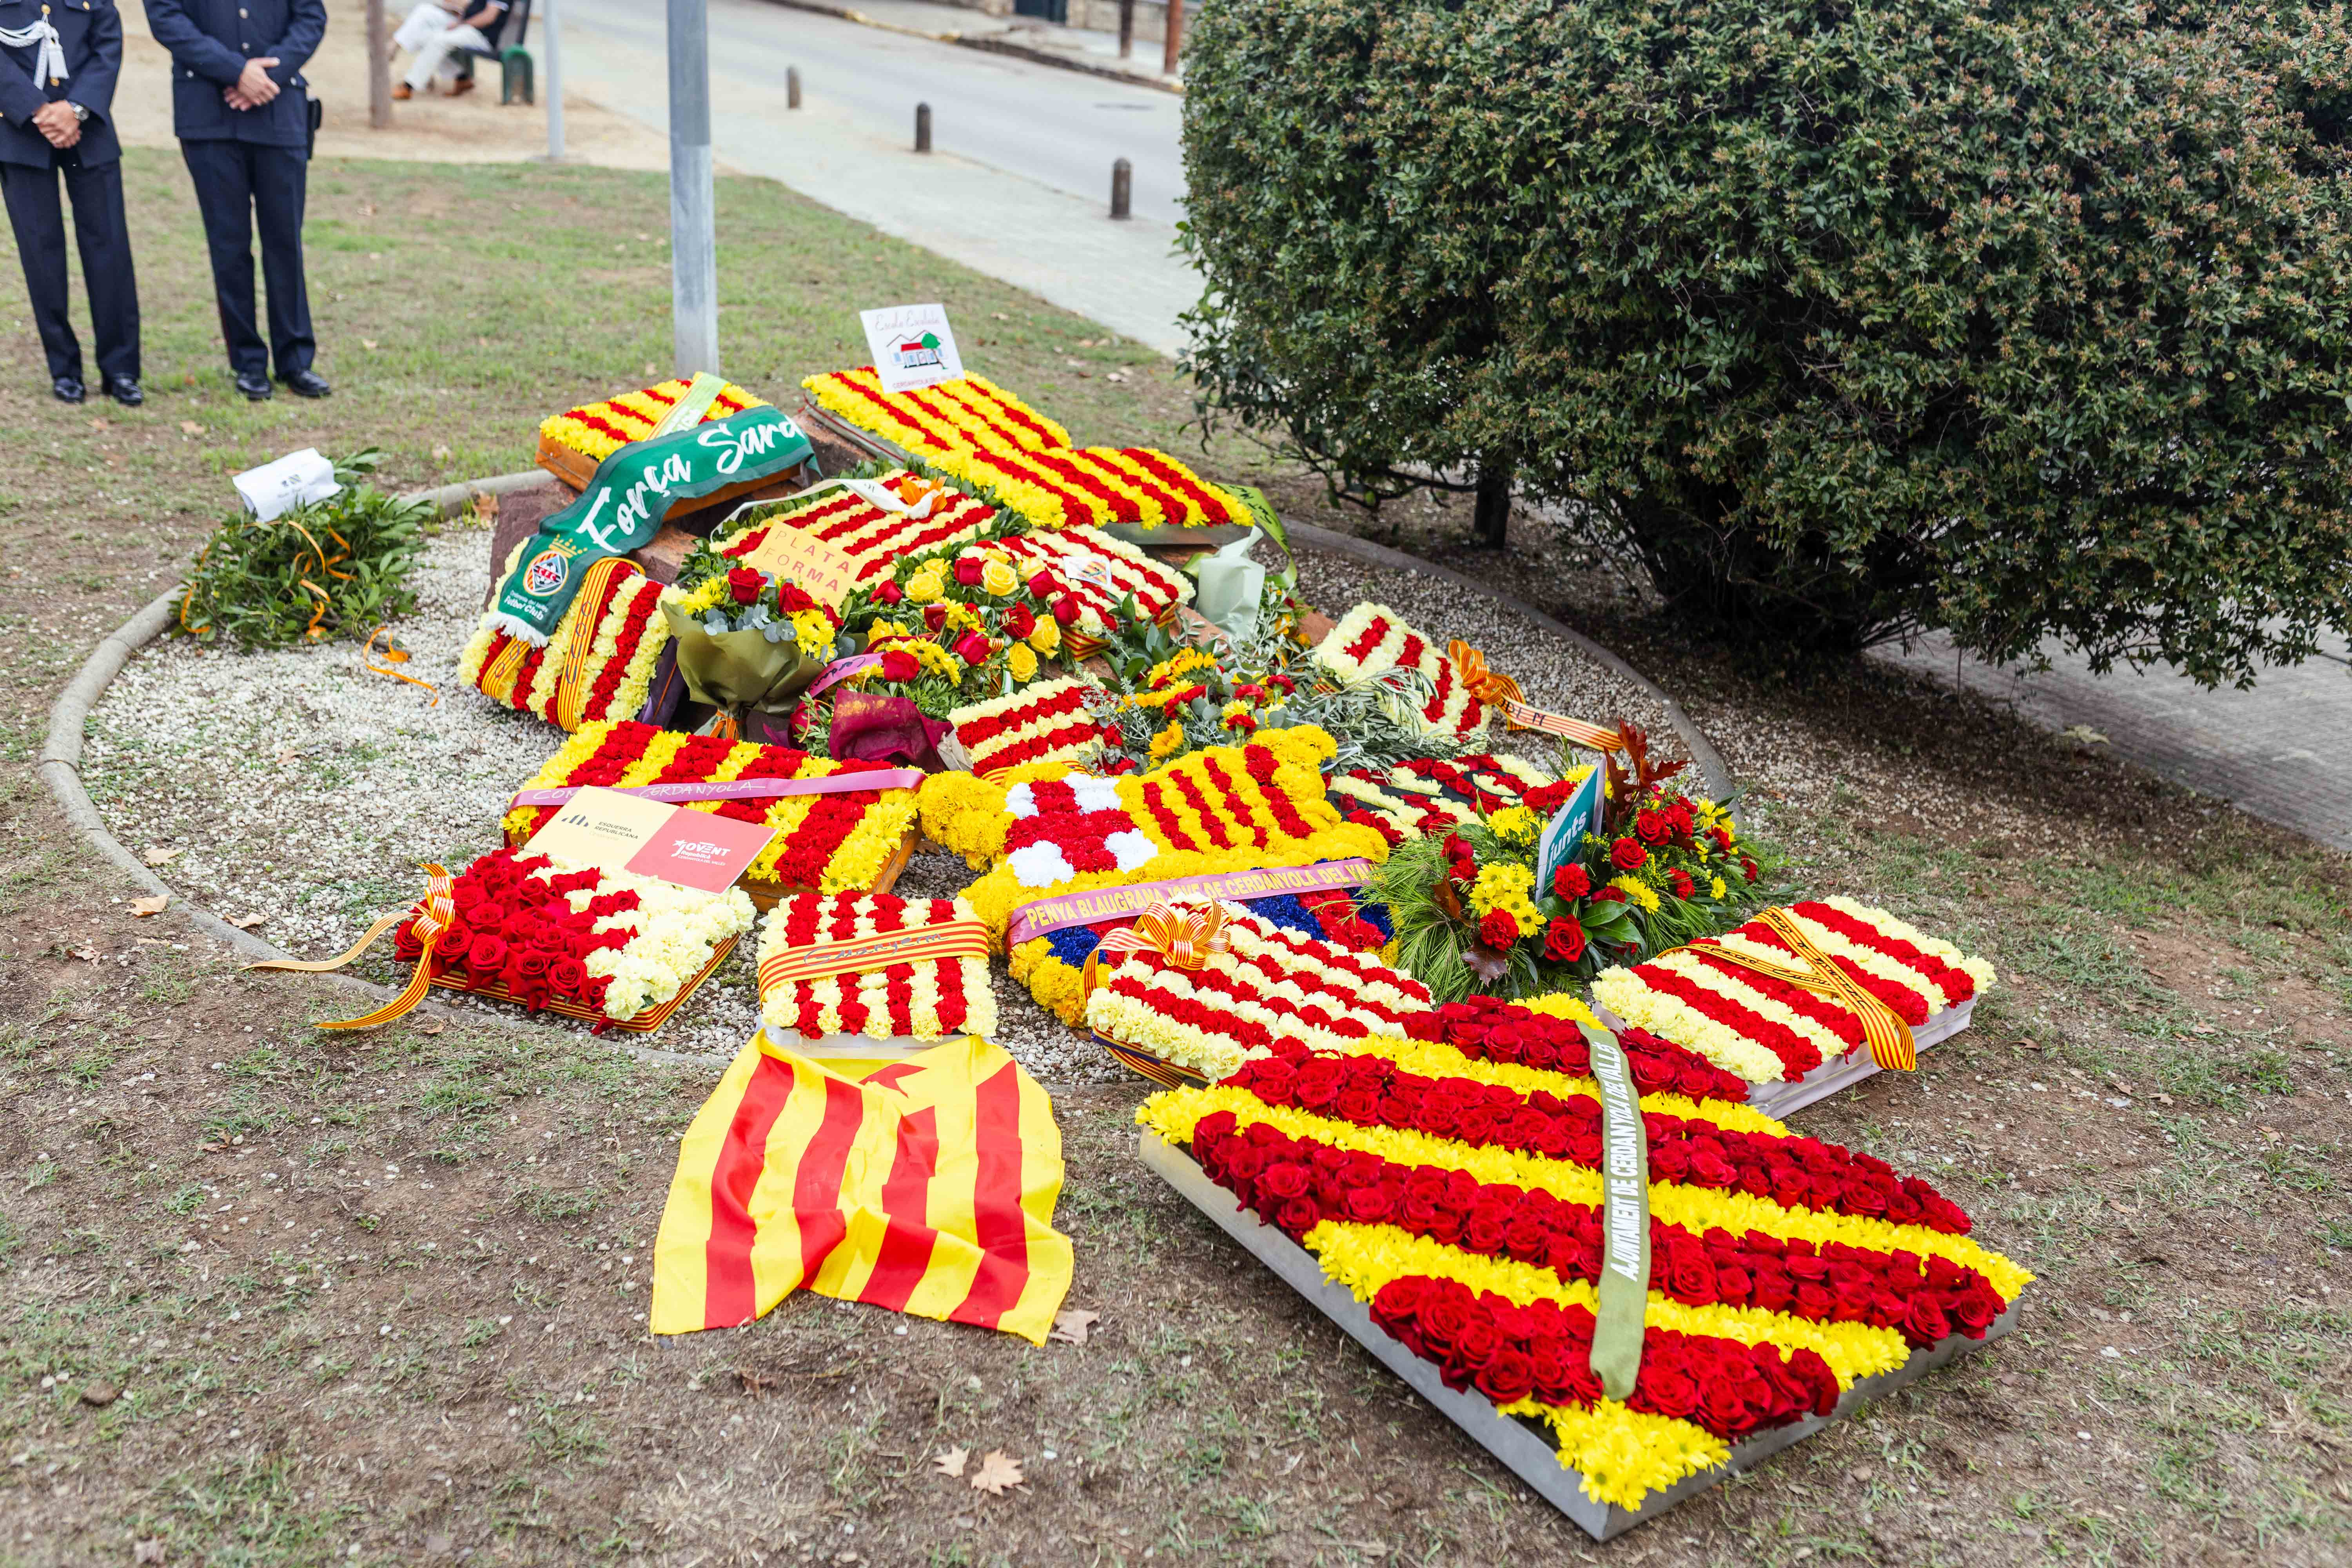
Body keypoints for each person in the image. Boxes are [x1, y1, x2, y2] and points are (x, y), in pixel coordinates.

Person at [144, 0, 330, 401]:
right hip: (208, 112)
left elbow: (311, 17)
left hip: (279, 108)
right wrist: (236, 71)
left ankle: (296, 360)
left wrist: (270, 75)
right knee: (228, 244)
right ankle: (248, 362)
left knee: (284, 241)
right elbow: (165, 18)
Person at [0, 0, 140, 404]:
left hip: (88, 131)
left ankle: (122, 370)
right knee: (41, 253)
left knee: (109, 248)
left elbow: (108, 43)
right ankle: (64, 369)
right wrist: (36, 109)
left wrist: (75, 109)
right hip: (20, 132)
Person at [388, 0, 507, 100]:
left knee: (438, 40)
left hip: (481, 35)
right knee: (424, 20)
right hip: (465, 25)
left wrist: (461, 24)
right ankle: (462, 78)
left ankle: (409, 86)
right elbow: (471, 7)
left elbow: (489, 17)